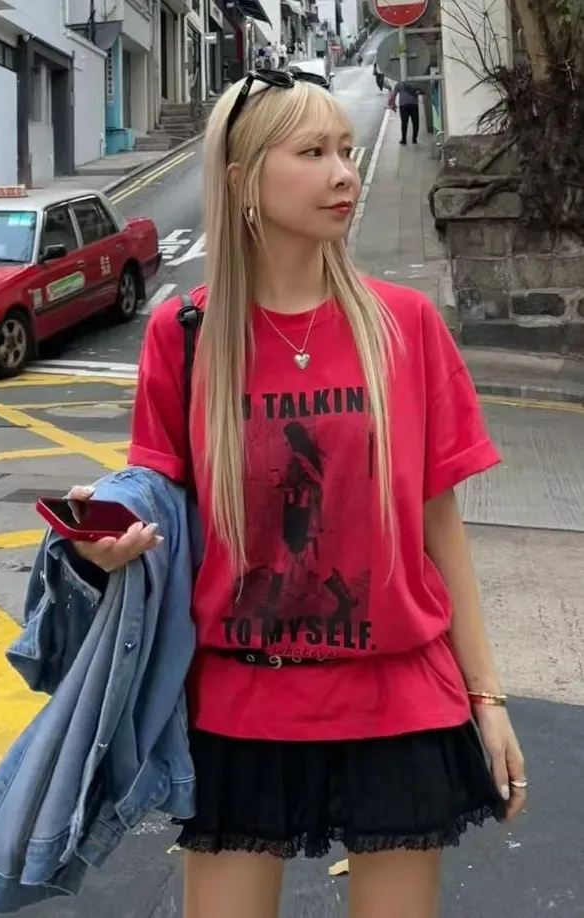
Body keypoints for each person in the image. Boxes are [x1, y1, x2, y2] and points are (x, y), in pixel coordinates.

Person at [67, 69, 526, 918]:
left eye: (347, 150)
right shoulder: (185, 334)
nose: (344, 173)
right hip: (240, 704)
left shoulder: (405, 325)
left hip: (397, 699)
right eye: (313, 152)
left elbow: (440, 525)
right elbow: (155, 502)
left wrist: (486, 699)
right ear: (243, 180)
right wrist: (106, 540)